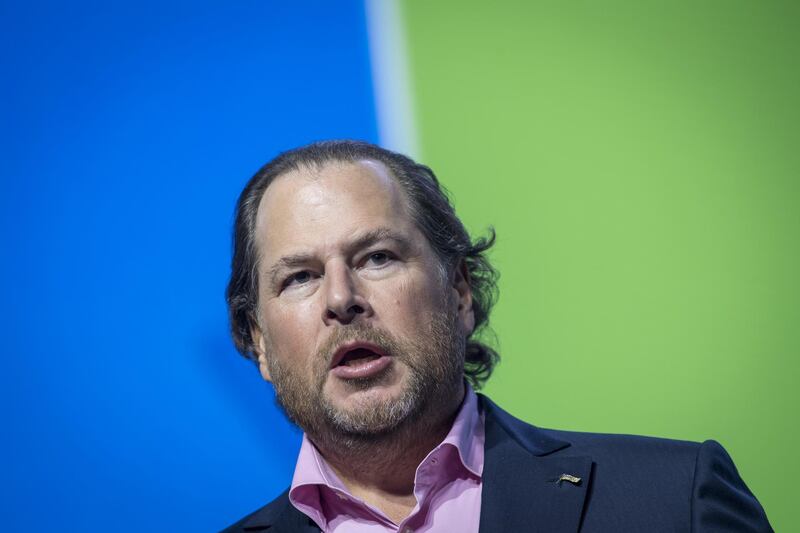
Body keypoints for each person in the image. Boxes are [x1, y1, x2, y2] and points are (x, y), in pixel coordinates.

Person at [222, 140, 771, 532]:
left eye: (378, 257)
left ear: (459, 292)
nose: (341, 298)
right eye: (300, 277)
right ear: (260, 343)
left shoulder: (674, 501)